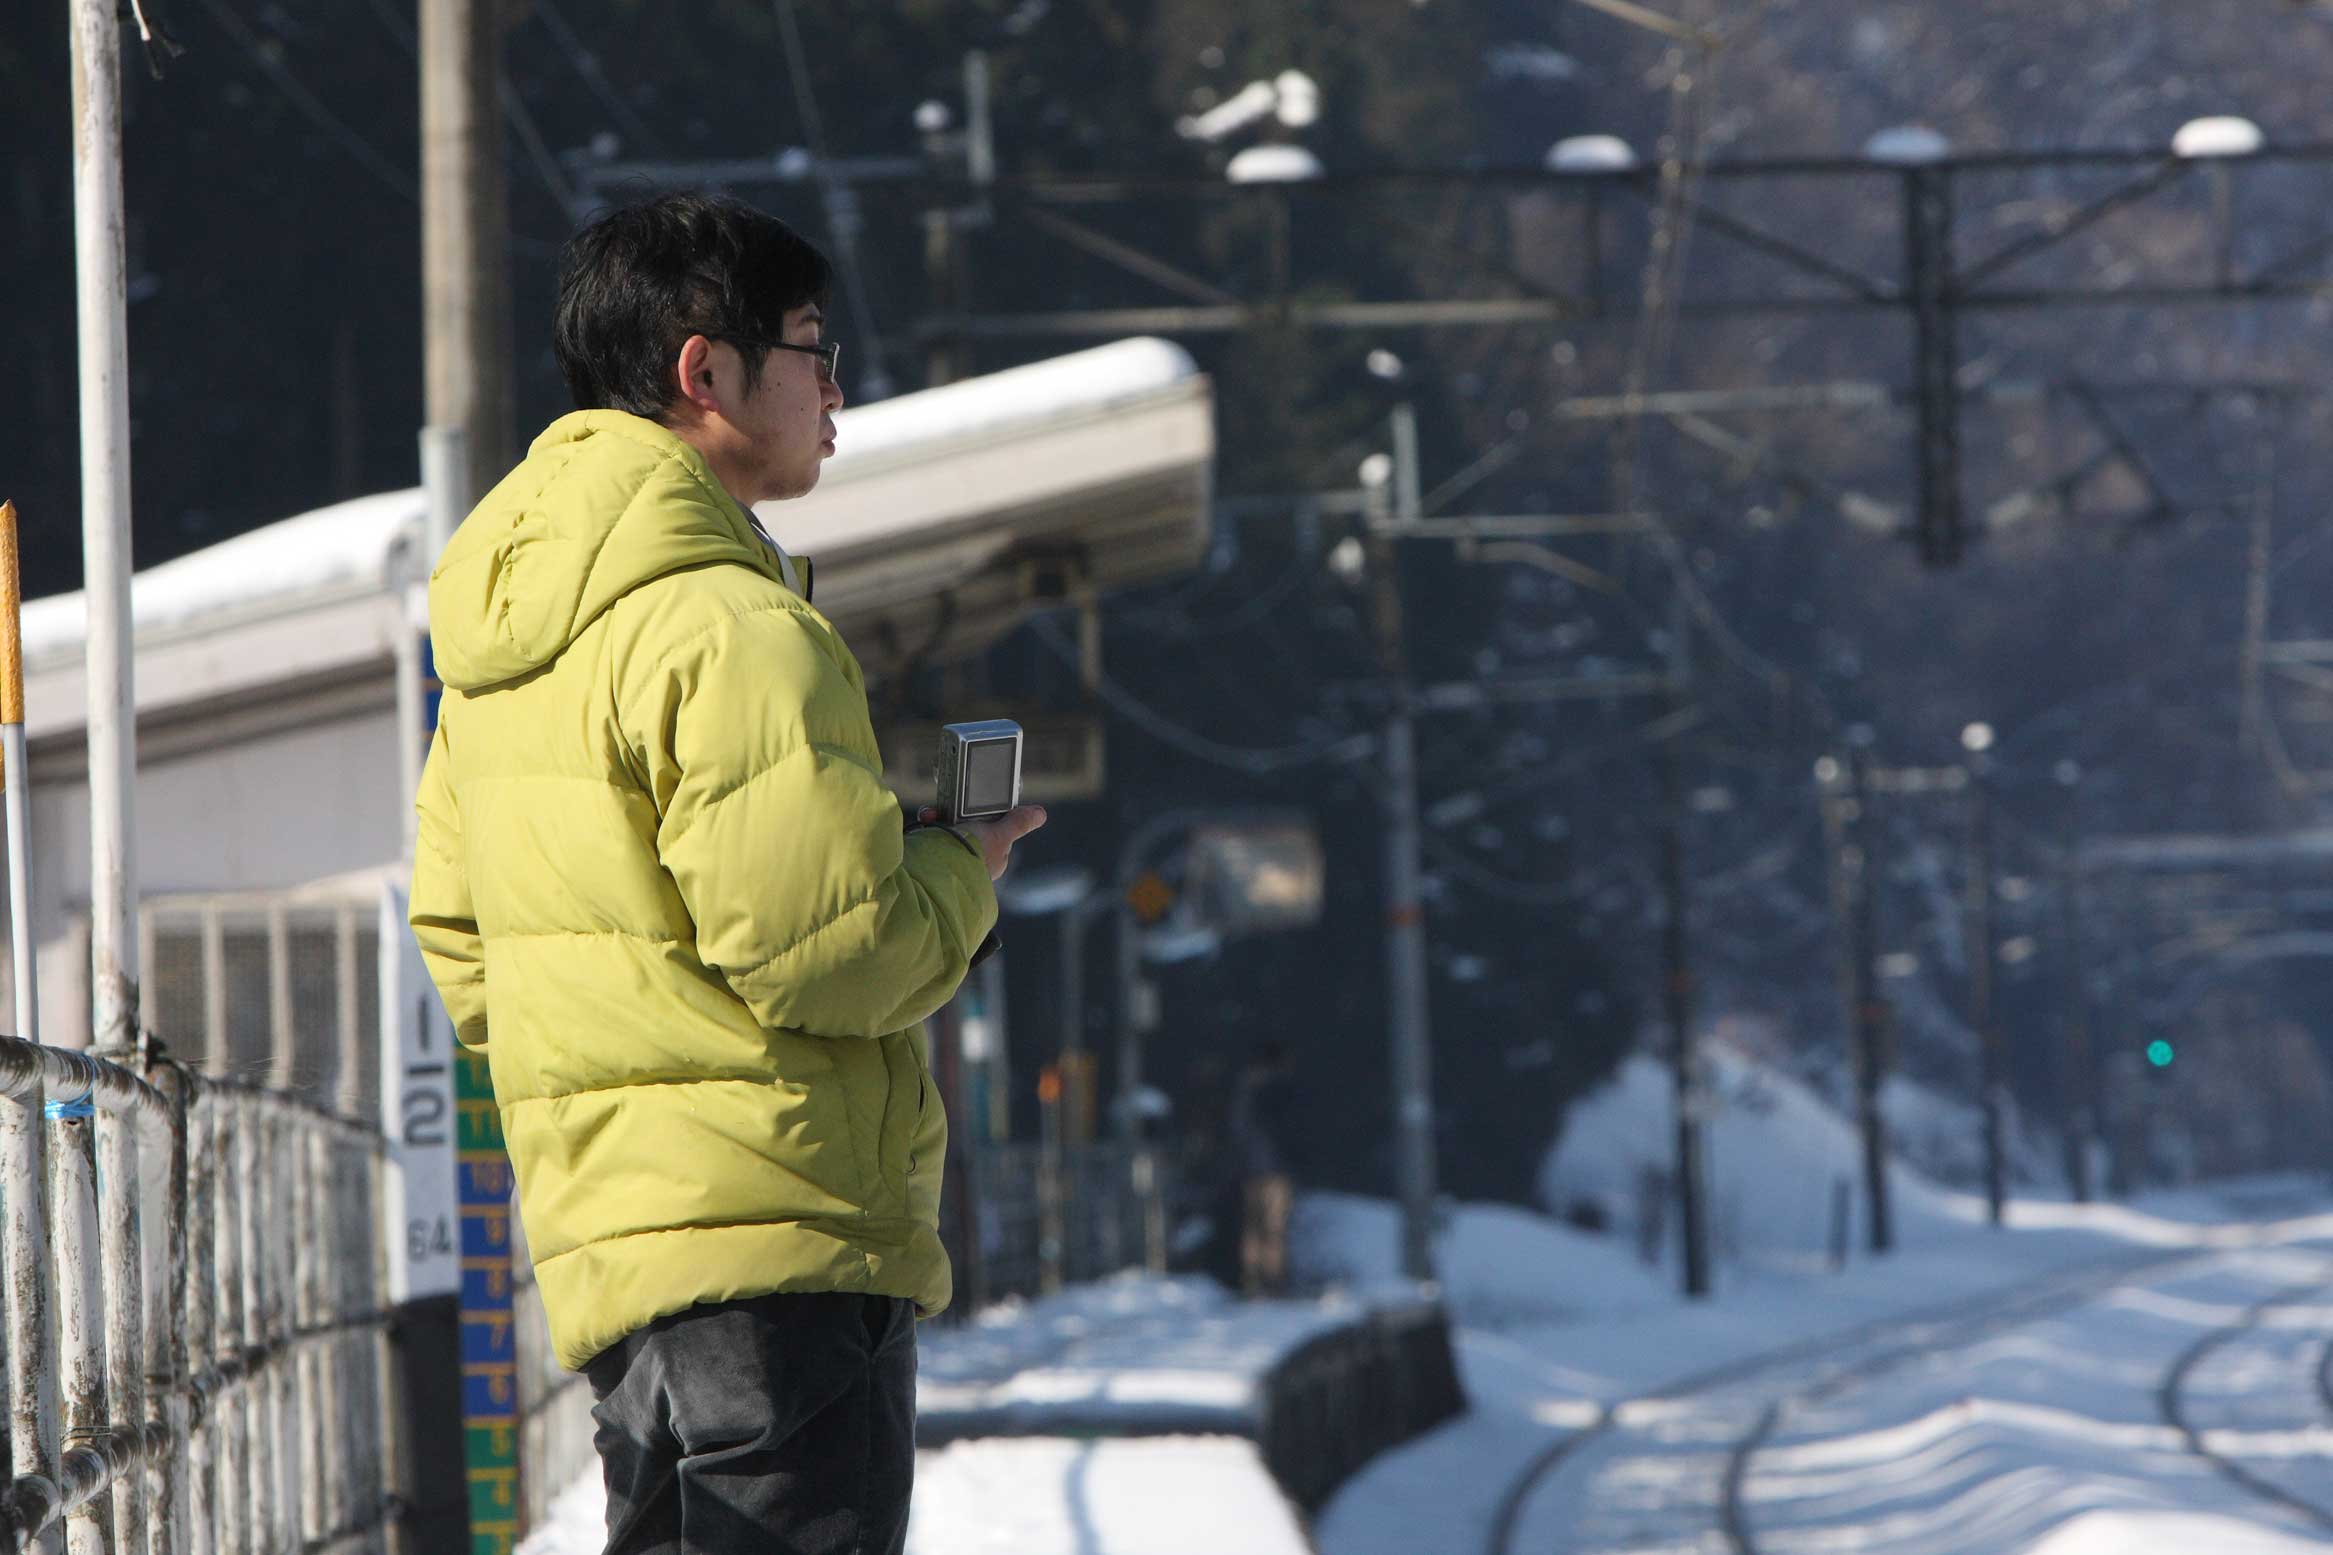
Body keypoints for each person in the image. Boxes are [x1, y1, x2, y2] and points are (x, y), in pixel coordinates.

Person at [408, 192, 1047, 1555]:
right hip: (784, 1250)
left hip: (611, 1259)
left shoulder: (496, 653)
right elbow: (834, 949)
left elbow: (463, 945)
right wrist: (960, 870)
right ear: (707, 371)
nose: (838, 396)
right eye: (815, 350)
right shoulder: (737, 625)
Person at [1228, 1040, 1298, 1298]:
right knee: (1273, 1228)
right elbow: (1286, 1128)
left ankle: (1252, 1280)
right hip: (1274, 1167)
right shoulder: (1276, 1089)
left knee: (1253, 1228)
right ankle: (1272, 1282)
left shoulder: (1245, 1088)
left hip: (1249, 1167)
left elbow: (1238, 1129)